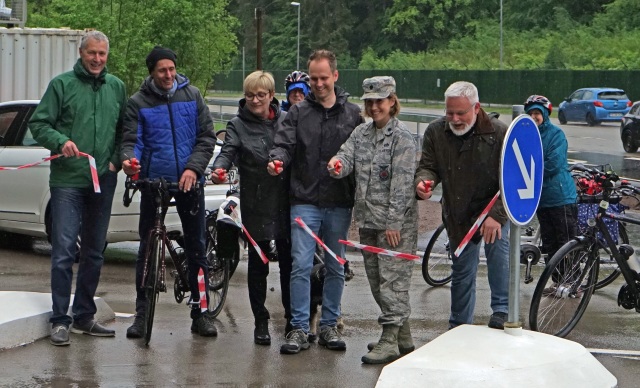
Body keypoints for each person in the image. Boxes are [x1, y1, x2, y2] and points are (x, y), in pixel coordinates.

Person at [29, 30, 127, 346]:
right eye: (92, 53)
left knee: (95, 250)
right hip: (68, 180)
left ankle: (84, 316)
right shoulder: (61, 85)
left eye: (102, 54)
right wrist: (61, 141)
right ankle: (60, 319)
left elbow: (124, 130)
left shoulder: (117, 87)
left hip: (104, 179)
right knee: (64, 250)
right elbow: (39, 123)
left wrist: (115, 162)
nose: (97, 59)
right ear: (81, 53)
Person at [268, 49, 364, 355]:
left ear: (335, 76)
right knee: (300, 264)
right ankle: (298, 327)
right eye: (314, 78)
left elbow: (362, 156)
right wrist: (277, 161)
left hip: (339, 202)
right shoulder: (298, 113)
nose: (318, 84)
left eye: (324, 78)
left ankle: (329, 326)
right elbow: (283, 144)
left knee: (336, 265)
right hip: (304, 200)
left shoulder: (352, 115)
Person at [120, 46, 217, 338]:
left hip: (189, 181)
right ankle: (141, 314)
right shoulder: (137, 102)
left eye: (171, 69)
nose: (168, 75)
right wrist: (129, 162)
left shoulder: (193, 95)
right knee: (147, 247)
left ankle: (201, 312)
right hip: (154, 182)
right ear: (151, 72)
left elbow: (206, 137)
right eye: (162, 70)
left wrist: (193, 169)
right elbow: (131, 140)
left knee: (196, 248)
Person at [328, 76, 417, 364]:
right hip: (368, 222)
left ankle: (389, 339)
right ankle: (402, 337)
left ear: (392, 101)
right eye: (370, 101)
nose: (374, 106)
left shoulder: (402, 138)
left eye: (380, 100)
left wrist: (393, 223)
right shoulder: (362, 134)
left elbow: (403, 185)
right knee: (378, 283)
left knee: (393, 283)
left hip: (395, 227)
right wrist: (337, 165)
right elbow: (346, 157)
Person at [414, 81, 510, 330]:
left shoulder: (500, 133)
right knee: (462, 272)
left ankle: (502, 311)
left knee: (498, 255)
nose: (454, 119)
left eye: (460, 113)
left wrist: (497, 215)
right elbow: (428, 165)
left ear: (476, 108)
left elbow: (513, 180)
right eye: (449, 113)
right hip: (459, 213)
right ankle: (459, 327)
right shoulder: (436, 132)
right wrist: (425, 182)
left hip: (492, 210)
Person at [211, 70, 292, 346]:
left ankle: (293, 319)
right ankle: (261, 320)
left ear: (271, 96)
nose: (255, 100)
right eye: (250, 95)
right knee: (258, 265)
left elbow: (294, 150)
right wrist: (219, 169)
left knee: (290, 263)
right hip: (255, 201)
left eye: (261, 95)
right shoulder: (237, 124)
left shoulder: (286, 120)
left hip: (286, 200)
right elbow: (228, 151)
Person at [524, 95, 577, 265]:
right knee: (550, 245)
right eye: (530, 113)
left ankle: (571, 285)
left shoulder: (556, 134)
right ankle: (556, 283)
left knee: (566, 244)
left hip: (560, 197)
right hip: (542, 199)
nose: (533, 116)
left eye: (537, 113)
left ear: (545, 114)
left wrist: (528, 173)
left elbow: (554, 164)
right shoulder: (527, 134)